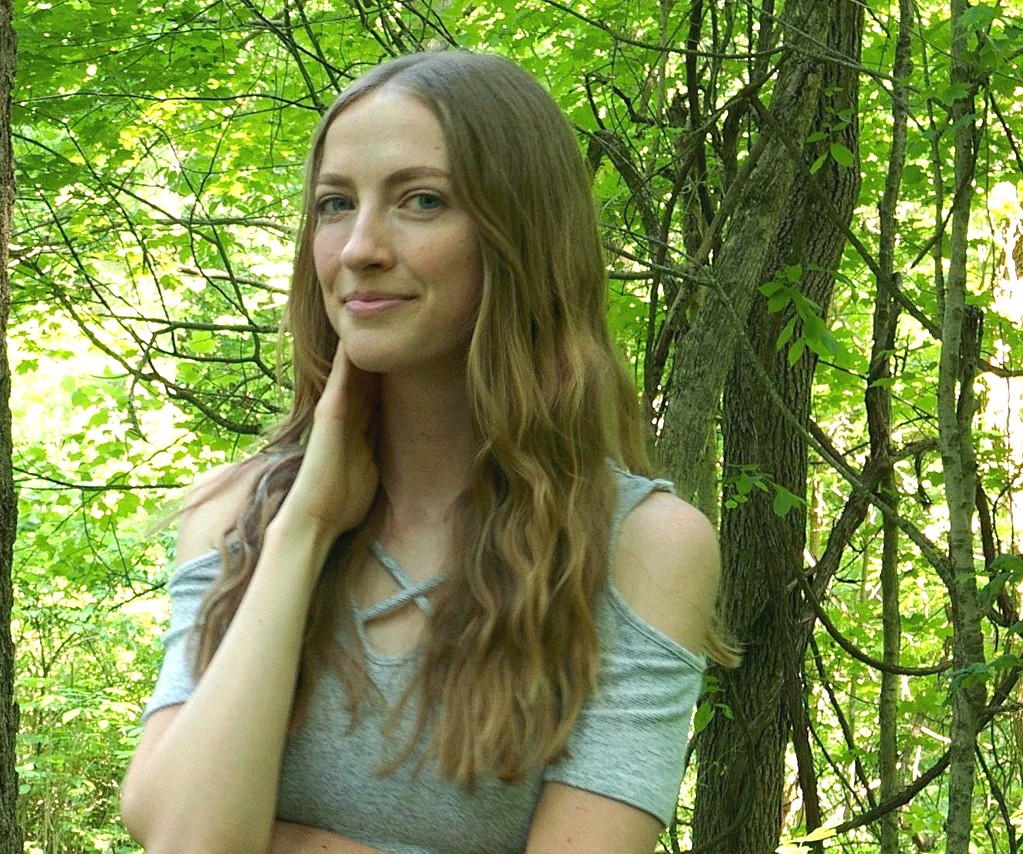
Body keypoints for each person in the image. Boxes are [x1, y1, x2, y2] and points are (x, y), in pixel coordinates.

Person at [120, 50, 736, 854]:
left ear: (522, 234)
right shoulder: (233, 514)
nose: (359, 248)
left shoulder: (640, 547)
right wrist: (303, 528)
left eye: (421, 201)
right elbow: (183, 842)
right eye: (335, 204)